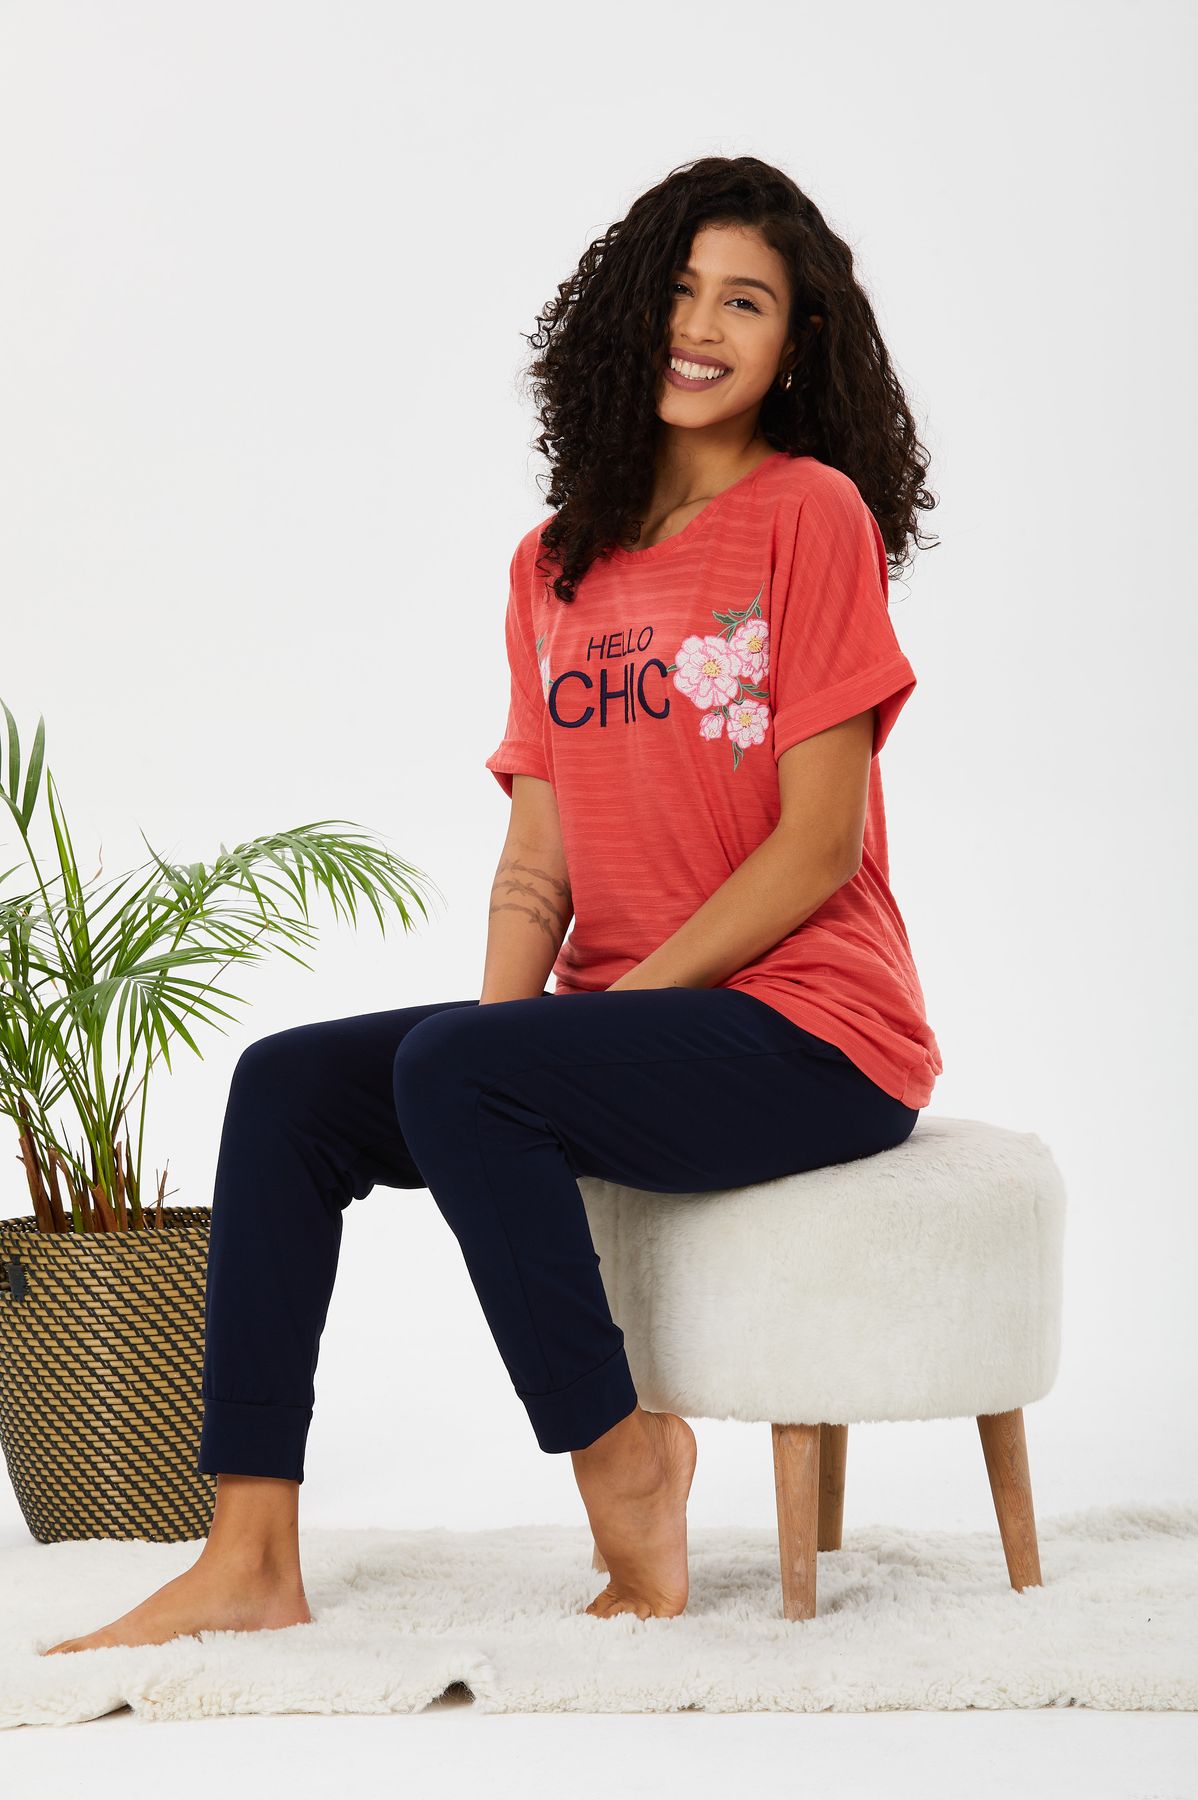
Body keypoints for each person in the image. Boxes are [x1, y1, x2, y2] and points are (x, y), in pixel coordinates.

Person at [42, 153, 942, 1652]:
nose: (700, 325)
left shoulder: (811, 515)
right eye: (679, 291)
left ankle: (624, 1461)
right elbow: (539, 861)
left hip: (811, 1033)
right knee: (290, 1088)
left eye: (746, 302)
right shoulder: (554, 563)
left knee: (465, 1063)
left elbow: (818, 847)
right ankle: (249, 1550)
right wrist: (497, 1059)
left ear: (797, 346)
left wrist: (582, 1031)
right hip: (628, 1032)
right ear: (625, 313)